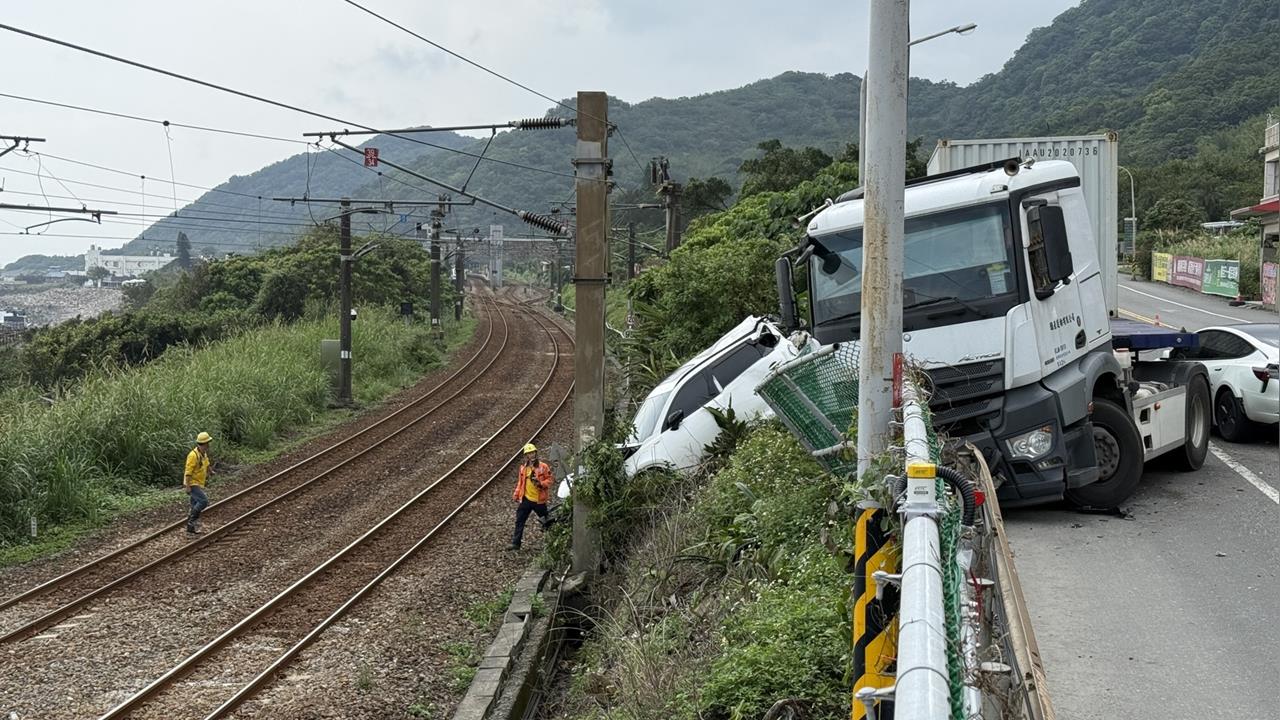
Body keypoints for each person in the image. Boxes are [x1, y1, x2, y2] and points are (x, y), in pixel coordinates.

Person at [508, 443, 553, 550]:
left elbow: (550, 480)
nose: (531, 455)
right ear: (526, 456)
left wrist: (541, 483)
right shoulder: (523, 468)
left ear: (535, 453)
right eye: (528, 454)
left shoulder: (543, 467)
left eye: (532, 453)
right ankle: (516, 543)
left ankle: (553, 541)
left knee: (547, 521)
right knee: (519, 521)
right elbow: (520, 482)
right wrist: (517, 494)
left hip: (539, 500)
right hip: (526, 499)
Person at [184, 431, 213, 536]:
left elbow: (207, 463)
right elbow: (188, 472)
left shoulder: (203, 454)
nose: (208, 445)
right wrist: (187, 486)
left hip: (198, 482)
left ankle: (190, 527)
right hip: (192, 483)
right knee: (203, 501)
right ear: (203, 444)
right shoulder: (193, 455)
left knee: (194, 504)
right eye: (207, 443)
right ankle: (192, 521)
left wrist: (210, 471)